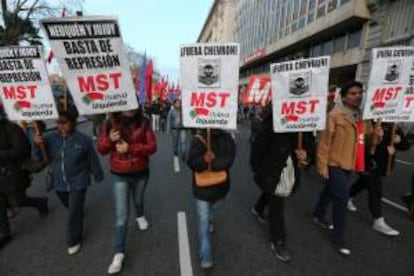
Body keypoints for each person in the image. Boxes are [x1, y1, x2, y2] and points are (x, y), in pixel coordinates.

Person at [313, 81, 382, 256]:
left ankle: (318, 214)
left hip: (350, 163)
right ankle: (339, 238)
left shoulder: (363, 117)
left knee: (331, 191)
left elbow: (365, 142)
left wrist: (376, 135)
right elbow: (324, 143)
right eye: (352, 93)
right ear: (343, 97)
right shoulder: (335, 115)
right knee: (342, 198)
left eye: (359, 93)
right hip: (334, 163)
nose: (357, 96)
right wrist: (322, 166)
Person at [33, 109, 104, 255]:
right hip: (59, 181)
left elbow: (92, 159)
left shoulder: (84, 139)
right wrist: (37, 145)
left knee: (73, 211)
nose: (61, 126)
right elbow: (40, 157)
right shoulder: (48, 138)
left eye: (64, 123)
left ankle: (74, 239)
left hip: (79, 180)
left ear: (73, 122)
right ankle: (77, 211)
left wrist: (97, 174)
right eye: (59, 122)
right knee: (70, 206)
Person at [250, 104, 313, 262]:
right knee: (277, 204)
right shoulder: (271, 124)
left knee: (272, 192)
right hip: (271, 171)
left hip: (289, 171)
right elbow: (257, 149)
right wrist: (258, 170)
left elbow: (310, 146)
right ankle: (278, 241)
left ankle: (258, 208)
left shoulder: (304, 124)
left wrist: (306, 155)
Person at [97, 108, 157, 275]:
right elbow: (101, 149)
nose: (129, 108)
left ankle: (140, 214)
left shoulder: (144, 121)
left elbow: (152, 147)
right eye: (126, 105)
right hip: (119, 174)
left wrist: (130, 148)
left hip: (141, 171)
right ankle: (118, 253)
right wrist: (109, 139)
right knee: (121, 215)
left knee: (138, 200)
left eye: (133, 104)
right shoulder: (109, 122)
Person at [348, 123, 410, 235]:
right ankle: (378, 220)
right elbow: (359, 142)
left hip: (382, 167)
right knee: (376, 190)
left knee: (363, 183)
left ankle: (347, 196)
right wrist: (374, 137)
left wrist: (399, 141)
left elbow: (405, 146)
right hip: (367, 163)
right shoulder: (369, 123)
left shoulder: (394, 127)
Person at [187, 128, 236, 269]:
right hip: (202, 189)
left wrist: (211, 164)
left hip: (220, 188)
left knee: (211, 211)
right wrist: (203, 160)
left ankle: (210, 217)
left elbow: (229, 159)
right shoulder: (198, 138)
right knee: (203, 222)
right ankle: (206, 258)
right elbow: (191, 162)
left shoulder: (227, 138)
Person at [0, 107, 48, 249]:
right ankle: (4, 232)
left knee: (18, 201)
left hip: (13, 173)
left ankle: (41, 202)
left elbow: (22, 149)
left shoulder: (11, 128)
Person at [167, 99, 188, 172]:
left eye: (179, 103)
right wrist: (168, 130)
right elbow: (168, 120)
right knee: (175, 143)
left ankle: (183, 154)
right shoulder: (171, 111)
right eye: (177, 103)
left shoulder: (184, 111)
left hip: (183, 128)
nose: (178, 104)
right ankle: (175, 153)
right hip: (174, 129)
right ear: (174, 104)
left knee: (183, 142)